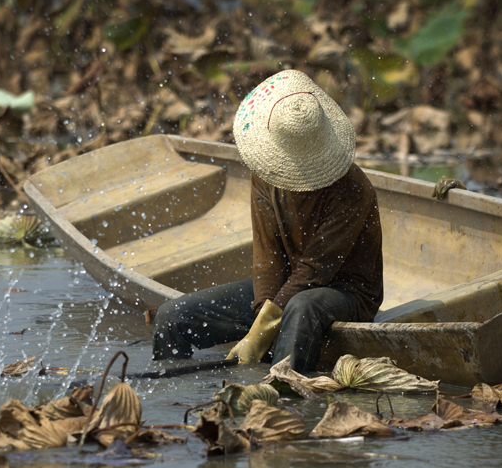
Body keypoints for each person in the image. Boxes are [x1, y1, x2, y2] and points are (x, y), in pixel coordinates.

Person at [152, 70, 383, 373]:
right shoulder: (267, 170)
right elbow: (268, 257)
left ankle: (280, 400)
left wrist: (261, 333)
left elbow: (315, 270)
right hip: (285, 289)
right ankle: (172, 396)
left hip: (342, 294)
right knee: (173, 316)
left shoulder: (351, 188)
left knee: (301, 307)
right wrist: (263, 314)